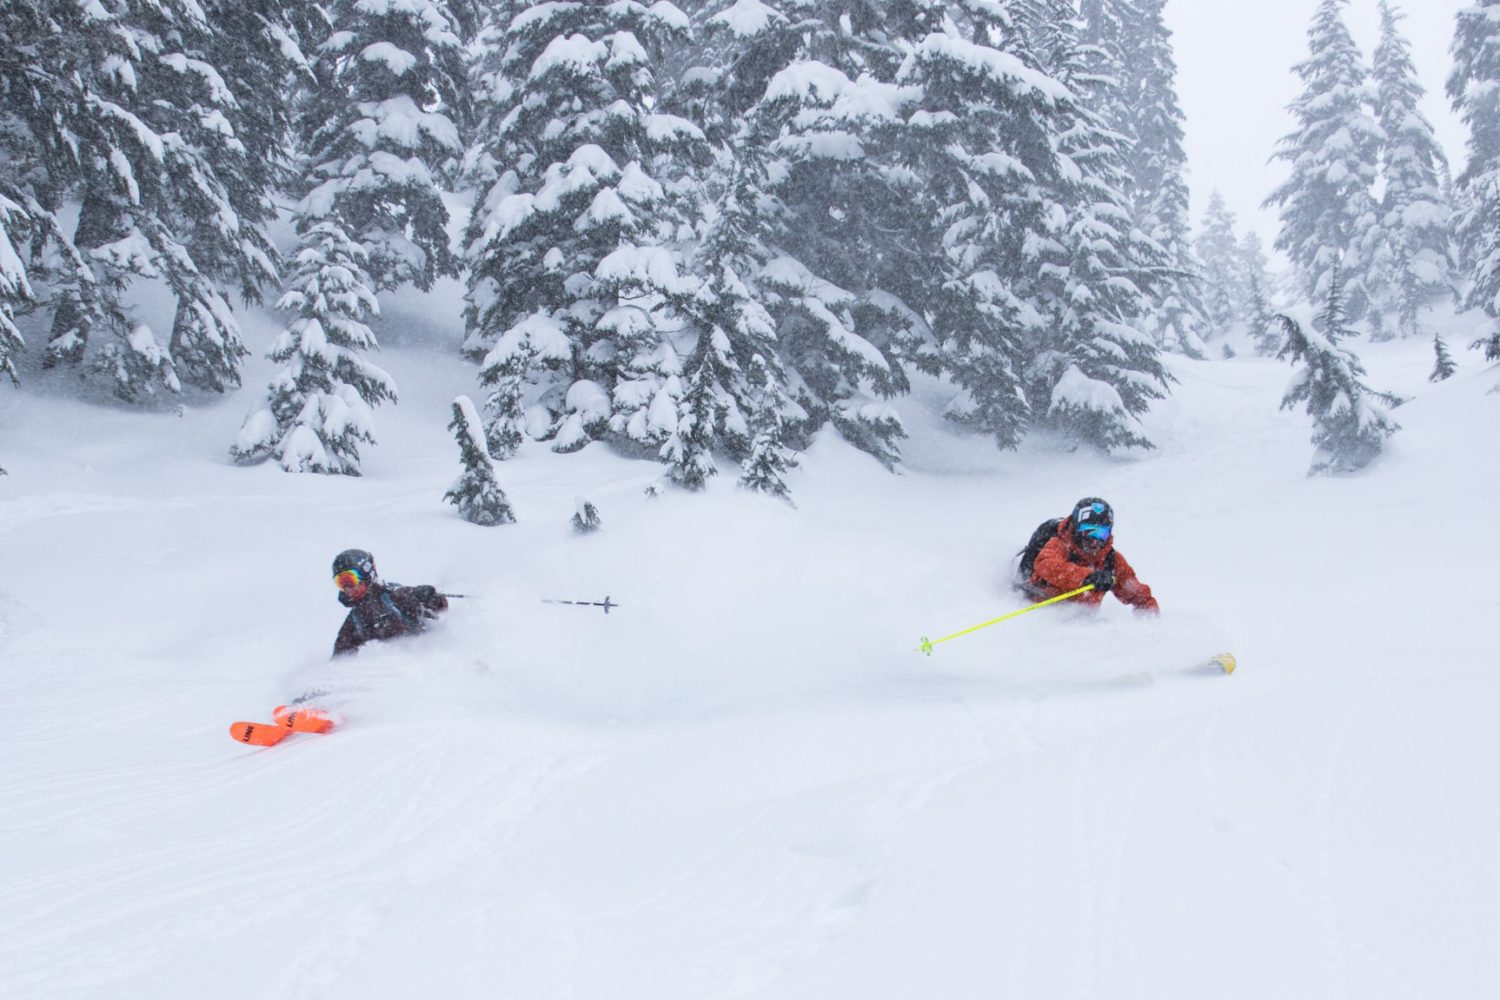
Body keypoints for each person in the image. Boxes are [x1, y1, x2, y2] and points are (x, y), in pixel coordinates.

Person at [1016, 497, 1159, 613]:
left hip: (1081, 628)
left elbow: (1137, 593)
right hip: (1038, 614)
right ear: (1076, 529)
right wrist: (1087, 578)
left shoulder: (1110, 560)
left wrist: (1150, 617)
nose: (1094, 540)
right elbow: (1045, 564)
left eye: (1101, 533)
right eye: (1088, 531)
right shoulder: (1060, 544)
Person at [331, 548, 449, 656]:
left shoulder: (395, 597)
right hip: (391, 675)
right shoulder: (354, 621)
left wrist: (430, 598)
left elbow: (439, 609)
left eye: (350, 579)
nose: (347, 588)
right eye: (340, 582)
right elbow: (340, 662)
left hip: (425, 664)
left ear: (367, 573)